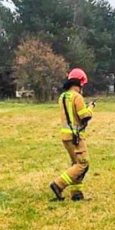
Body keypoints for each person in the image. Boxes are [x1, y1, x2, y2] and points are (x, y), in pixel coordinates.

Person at [49, 68, 94, 202]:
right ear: (79, 83)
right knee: (83, 164)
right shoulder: (77, 96)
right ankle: (58, 184)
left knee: (76, 163)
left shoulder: (63, 97)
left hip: (66, 136)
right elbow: (84, 116)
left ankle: (77, 193)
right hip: (76, 137)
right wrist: (90, 108)